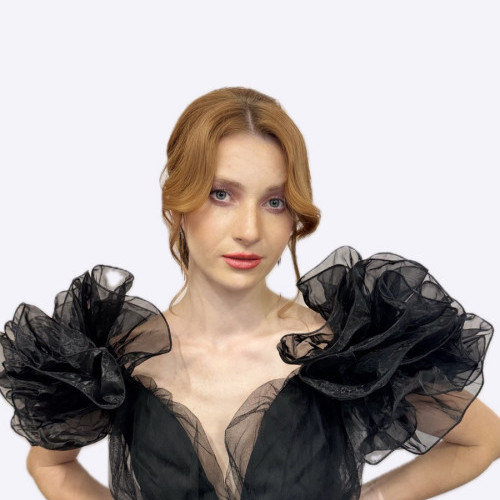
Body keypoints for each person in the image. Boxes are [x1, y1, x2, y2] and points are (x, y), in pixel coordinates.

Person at [0, 87, 499, 500]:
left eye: (274, 202)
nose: (249, 230)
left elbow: (482, 439)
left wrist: (376, 497)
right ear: (178, 202)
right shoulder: (115, 363)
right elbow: (51, 464)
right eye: (222, 194)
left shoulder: (341, 355)